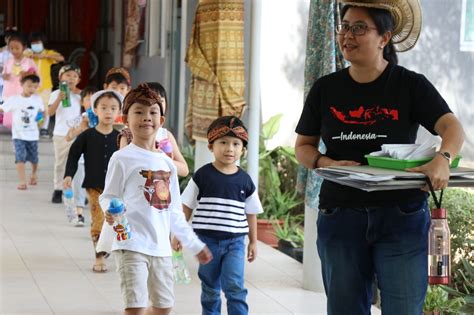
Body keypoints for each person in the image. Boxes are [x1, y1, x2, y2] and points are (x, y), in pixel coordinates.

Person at [294, 1, 465, 314]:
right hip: (340, 213)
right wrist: (324, 163)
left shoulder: (410, 85)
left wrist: (443, 157)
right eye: (344, 26)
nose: (347, 35)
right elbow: (303, 146)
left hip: (401, 214)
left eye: (359, 28)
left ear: (384, 38)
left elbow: (452, 127)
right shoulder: (325, 89)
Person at [99, 84, 212, 315]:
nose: (146, 117)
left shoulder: (167, 163)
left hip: (160, 247)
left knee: (163, 307)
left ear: (161, 120)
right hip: (130, 243)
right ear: (125, 119)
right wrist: (108, 211)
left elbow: (174, 212)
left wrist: (194, 244)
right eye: (138, 112)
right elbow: (108, 195)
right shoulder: (122, 158)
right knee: (136, 307)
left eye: (152, 112)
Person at [178, 116, 263, 315]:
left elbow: (251, 213)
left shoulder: (245, 181)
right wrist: (180, 234)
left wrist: (253, 241)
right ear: (211, 146)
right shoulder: (202, 175)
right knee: (210, 288)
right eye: (223, 142)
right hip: (205, 242)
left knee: (234, 286)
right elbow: (187, 206)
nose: (229, 149)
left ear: (243, 148)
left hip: (235, 242)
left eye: (236, 144)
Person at [63, 90, 123, 272]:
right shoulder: (87, 136)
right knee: (98, 220)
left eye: (113, 108)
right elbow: (73, 155)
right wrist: (68, 175)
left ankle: (109, 247)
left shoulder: (122, 138)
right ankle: (99, 258)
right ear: (94, 110)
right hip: (95, 187)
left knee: (115, 221)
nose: (108, 112)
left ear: (119, 112)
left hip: (117, 189)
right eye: (103, 108)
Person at [118, 82, 189, 177]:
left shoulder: (166, 135)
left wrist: (162, 158)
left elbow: (184, 170)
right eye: (139, 112)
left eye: (161, 100)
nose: (147, 117)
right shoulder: (127, 134)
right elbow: (124, 163)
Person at [0, 70, 43, 189]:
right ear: (22, 84)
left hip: (33, 135)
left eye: (35, 86)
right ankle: (22, 181)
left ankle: (34, 174)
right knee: (20, 157)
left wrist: (40, 119)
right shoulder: (14, 99)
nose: (32, 89)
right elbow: (2, 109)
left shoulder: (37, 100)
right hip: (18, 135)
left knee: (34, 158)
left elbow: (41, 113)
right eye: (29, 85)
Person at [64, 86, 98, 226]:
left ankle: (95, 216)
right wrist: (81, 128)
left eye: (94, 99)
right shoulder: (78, 119)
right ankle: (79, 214)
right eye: (88, 99)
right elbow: (68, 137)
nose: (91, 102)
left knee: (95, 190)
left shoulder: (102, 120)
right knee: (78, 187)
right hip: (81, 160)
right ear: (82, 102)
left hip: (96, 160)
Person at [48, 64, 82, 204]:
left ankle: (76, 191)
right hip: (61, 134)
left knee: (78, 163)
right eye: (68, 75)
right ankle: (58, 189)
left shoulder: (81, 95)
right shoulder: (56, 94)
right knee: (60, 163)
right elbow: (50, 112)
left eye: (75, 76)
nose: (71, 78)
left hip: (78, 134)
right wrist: (59, 99)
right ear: (60, 77)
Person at [25, 32, 65, 137]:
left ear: (43, 43)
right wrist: (31, 54)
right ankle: (32, 127)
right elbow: (22, 55)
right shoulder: (29, 53)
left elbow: (61, 58)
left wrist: (46, 55)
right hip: (30, 87)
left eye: (37, 42)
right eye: (33, 43)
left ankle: (44, 128)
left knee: (45, 108)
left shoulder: (48, 53)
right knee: (31, 107)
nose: (35, 45)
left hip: (46, 86)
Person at [1, 33, 37, 129]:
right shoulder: (8, 61)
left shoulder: (29, 61)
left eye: (17, 48)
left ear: (24, 47)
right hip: (10, 91)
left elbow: (36, 77)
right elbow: (4, 74)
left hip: (23, 90)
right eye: (11, 48)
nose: (14, 51)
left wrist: (28, 75)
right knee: (10, 114)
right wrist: (4, 76)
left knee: (23, 112)